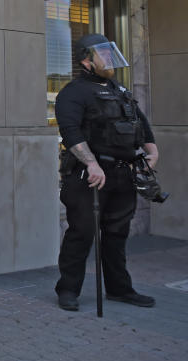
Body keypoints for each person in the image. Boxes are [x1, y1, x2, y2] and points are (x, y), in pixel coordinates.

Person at [54, 33, 159, 311]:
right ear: (86, 60)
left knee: (117, 234)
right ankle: (67, 290)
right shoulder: (73, 93)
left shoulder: (118, 89)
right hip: (88, 177)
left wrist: (152, 150)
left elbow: (140, 122)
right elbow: (71, 132)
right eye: (103, 54)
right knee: (82, 233)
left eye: (110, 53)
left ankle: (119, 289)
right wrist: (91, 163)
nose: (109, 59)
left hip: (122, 174)